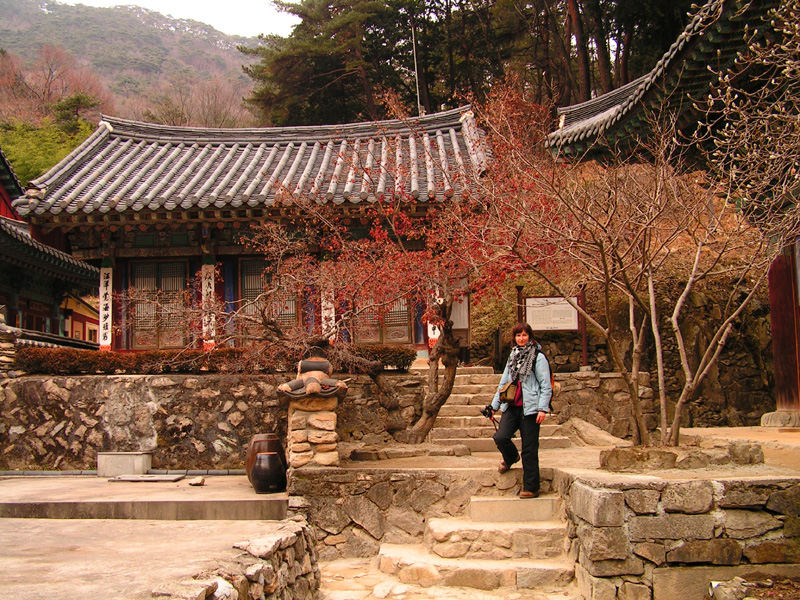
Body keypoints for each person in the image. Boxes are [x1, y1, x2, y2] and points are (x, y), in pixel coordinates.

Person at [484, 322, 552, 499]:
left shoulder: (538, 356)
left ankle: (531, 486)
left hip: (531, 408)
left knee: (529, 448)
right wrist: (494, 406)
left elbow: (546, 385)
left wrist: (543, 408)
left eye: (524, 335)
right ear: (514, 338)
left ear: (530, 336)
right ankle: (511, 457)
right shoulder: (513, 356)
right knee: (501, 437)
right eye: (518, 335)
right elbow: (503, 383)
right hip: (512, 405)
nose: (521, 339)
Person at [277, 346, 347, 398]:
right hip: (308, 381)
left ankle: (287, 386)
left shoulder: (325, 367)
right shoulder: (304, 367)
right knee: (289, 386)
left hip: (314, 381)